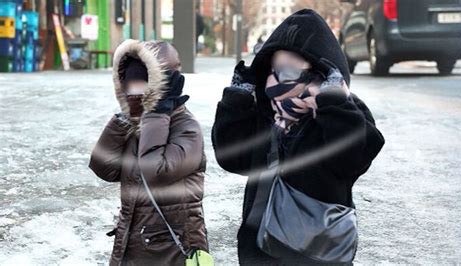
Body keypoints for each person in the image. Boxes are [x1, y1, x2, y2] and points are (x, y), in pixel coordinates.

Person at [212, 9, 385, 264]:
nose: (277, 81)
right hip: (259, 248)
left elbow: (354, 157)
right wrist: (237, 98)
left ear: (319, 75)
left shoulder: (342, 112)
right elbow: (232, 158)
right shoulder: (268, 114)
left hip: (317, 252)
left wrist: (332, 103)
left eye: (290, 70)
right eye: (273, 69)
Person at [89, 39, 208, 265]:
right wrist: (124, 119)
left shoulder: (186, 127)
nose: (133, 94)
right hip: (131, 243)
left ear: (160, 85)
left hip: (171, 249)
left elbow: (156, 171)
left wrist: (157, 113)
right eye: (128, 85)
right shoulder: (136, 125)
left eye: (140, 86)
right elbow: (104, 168)